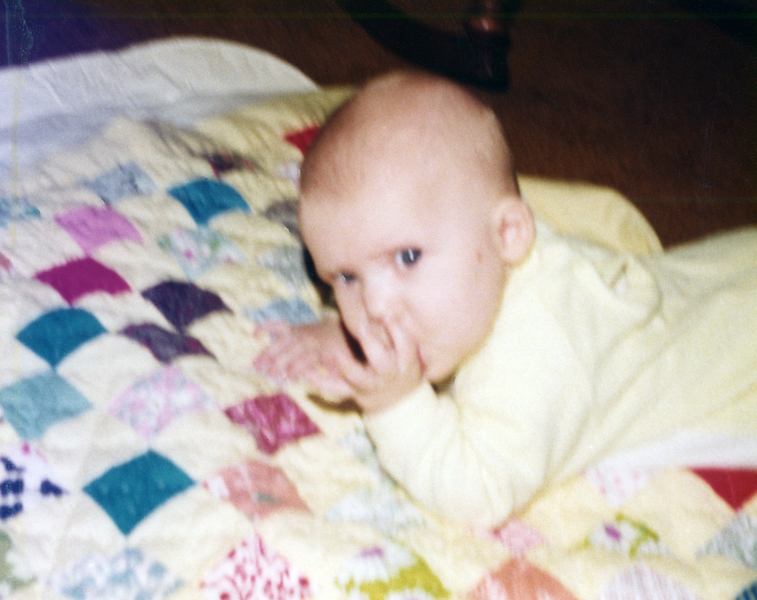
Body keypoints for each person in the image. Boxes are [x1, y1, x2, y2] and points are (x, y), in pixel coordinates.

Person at [254, 70, 757, 528]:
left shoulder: (540, 351)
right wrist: (347, 336)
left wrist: (396, 403)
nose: (375, 307)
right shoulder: (475, 258)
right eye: (346, 277)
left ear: (510, 232)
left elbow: (480, 495)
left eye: (407, 257)